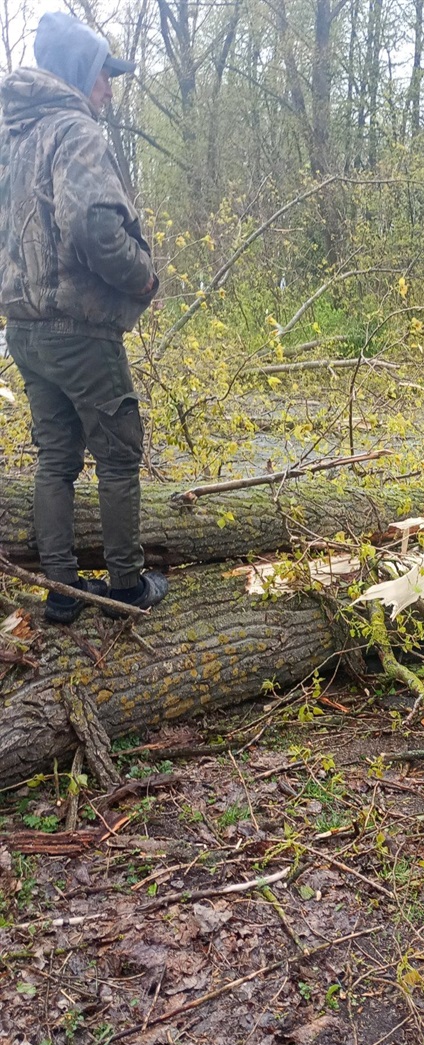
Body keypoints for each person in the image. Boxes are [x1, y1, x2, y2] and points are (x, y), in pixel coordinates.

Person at [0, 11, 167, 623]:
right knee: (120, 453)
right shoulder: (76, 132)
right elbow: (95, 227)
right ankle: (124, 587)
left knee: (55, 458)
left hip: (24, 327)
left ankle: (63, 593)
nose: (110, 89)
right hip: (79, 325)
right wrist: (142, 277)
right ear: (80, 73)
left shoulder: (14, 136)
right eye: (103, 75)